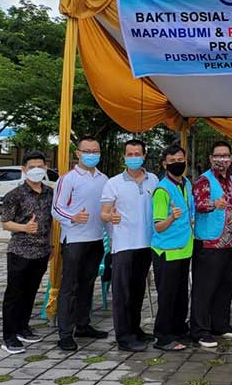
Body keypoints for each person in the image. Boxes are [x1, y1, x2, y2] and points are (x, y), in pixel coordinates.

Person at [100, 139, 159, 352]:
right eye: (129, 154)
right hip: (123, 244)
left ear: (144, 156)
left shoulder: (153, 180)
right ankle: (124, 337)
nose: (133, 157)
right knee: (122, 293)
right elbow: (103, 213)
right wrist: (111, 217)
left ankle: (136, 329)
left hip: (146, 244)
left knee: (138, 289)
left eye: (137, 154)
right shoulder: (113, 183)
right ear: (124, 156)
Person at [52, 135, 108, 351]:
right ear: (78, 153)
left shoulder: (104, 179)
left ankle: (83, 324)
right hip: (74, 240)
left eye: (96, 151)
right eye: (87, 151)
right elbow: (56, 208)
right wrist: (73, 217)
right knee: (70, 287)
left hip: (96, 238)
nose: (92, 155)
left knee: (87, 284)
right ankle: (65, 333)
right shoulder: (68, 179)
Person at [190, 141, 232, 348]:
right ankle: (200, 330)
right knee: (204, 288)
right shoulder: (204, 180)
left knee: (225, 285)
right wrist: (214, 204)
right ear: (211, 158)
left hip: (231, 242)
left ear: (231, 158)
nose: (222, 159)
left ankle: (220, 324)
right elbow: (198, 204)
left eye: (226, 155)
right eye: (218, 155)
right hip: (211, 242)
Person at [0, 151, 53, 354]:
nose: (36, 170)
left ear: (46, 168)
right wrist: (24, 228)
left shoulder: (50, 193)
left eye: (40, 166)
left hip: (41, 251)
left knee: (30, 292)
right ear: (24, 170)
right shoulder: (15, 195)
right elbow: (5, 223)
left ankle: (23, 328)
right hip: (20, 251)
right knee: (14, 294)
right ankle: (9, 336)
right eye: (32, 167)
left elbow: (52, 222)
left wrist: (51, 246)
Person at [150, 144, 195, 351]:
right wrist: (171, 217)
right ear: (164, 164)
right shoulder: (162, 190)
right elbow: (158, 226)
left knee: (180, 294)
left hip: (184, 248)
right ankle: (163, 337)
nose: (177, 164)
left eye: (180, 160)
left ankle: (178, 329)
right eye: (172, 161)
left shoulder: (186, 183)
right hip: (166, 251)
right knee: (167, 296)